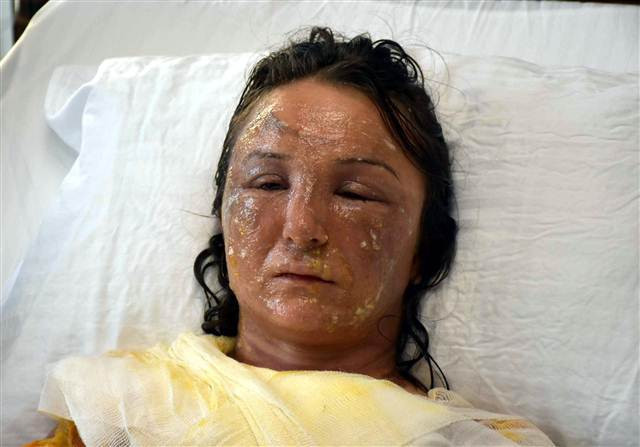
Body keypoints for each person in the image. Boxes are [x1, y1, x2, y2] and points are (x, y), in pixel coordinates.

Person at [28, 27, 554, 446]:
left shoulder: (467, 441)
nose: (302, 229)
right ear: (222, 220)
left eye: (355, 194)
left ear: (424, 246)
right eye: (268, 184)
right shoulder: (119, 412)